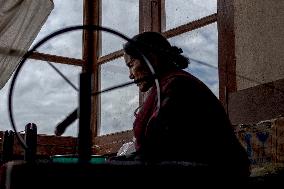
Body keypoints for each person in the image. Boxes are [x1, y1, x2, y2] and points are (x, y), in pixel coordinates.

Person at [117, 31, 250, 178]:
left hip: (217, 175)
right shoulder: (165, 86)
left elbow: (160, 146)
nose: (130, 75)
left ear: (151, 58)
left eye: (131, 64)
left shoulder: (179, 86)